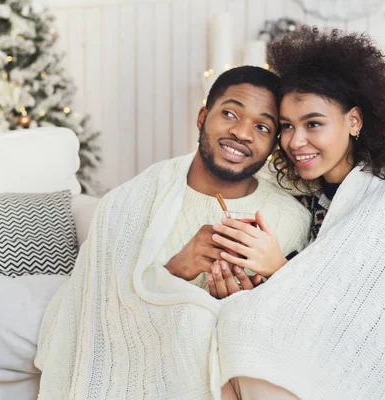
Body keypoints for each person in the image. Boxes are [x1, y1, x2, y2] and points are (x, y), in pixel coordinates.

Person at [213, 28, 385, 399]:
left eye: (313, 124)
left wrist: (278, 267)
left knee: (247, 329)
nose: (296, 142)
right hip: (305, 324)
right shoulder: (298, 193)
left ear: (354, 121)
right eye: (287, 126)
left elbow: (365, 309)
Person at [34, 66, 310, 399]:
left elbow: (295, 333)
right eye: (230, 114)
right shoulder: (130, 202)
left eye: (262, 126)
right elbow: (94, 312)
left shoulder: (289, 219)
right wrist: (175, 271)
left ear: (273, 143)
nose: (242, 133)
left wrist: (246, 300)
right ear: (202, 117)